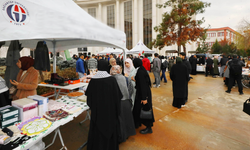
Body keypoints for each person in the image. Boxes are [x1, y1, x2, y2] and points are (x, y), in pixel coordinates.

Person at [85, 64, 122, 150]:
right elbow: (118, 97)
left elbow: (89, 99)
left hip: (98, 114)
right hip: (110, 113)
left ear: (98, 68)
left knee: (97, 133)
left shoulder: (93, 80)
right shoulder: (112, 80)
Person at [110, 65, 136, 143]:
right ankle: (128, 133)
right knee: (127, 118)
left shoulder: (112, 79)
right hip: (127, 101)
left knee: (120, 120)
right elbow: (130, 89)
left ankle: (121, 137)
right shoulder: (126, 78)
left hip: (118, 102)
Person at [132, 58, 154, 134]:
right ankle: (137, 123)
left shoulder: (140, 72)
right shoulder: (141, 69)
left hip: (143, 94)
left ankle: (149, 127)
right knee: (137, 109)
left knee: (145, 109)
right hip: (143, 93)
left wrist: (144, 98)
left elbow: (143, 85)